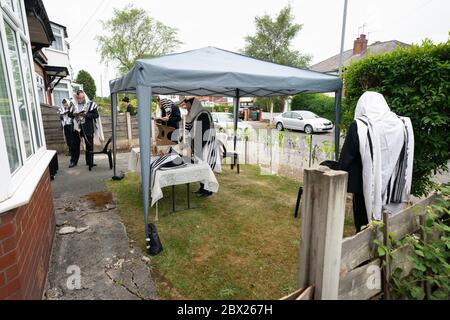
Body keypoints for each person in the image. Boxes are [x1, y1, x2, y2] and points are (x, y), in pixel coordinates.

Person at [338, 91, 414, 233]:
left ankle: (366, 251)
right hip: (394, 185)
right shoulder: (402, 124)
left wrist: (337, 170)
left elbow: (346, 158)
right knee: (390, 226)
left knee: (364, 223)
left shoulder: (360, 126)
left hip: (364, 184)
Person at [179, 97, 221, 197]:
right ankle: (202, 188)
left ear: (193, 105)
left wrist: (197, 148)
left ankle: (208, 190)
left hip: (205, 145)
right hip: (200, 145)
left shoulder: (203, 114)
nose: (187, 108)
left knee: (205, 167)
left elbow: (203, 133)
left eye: (188, 105)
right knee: (200, 167)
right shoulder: (198, 114)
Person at [70, 90, 100, 171]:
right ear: (76, 97)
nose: (80, 99)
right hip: (76, 128)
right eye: (79, 98)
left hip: (88, 127)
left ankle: (90, 162)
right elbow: (69, 114)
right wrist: (73, 114)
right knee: (74, 145)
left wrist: (86, 115)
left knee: (89, 145)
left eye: (82, 98)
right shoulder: (72, 104)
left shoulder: (91, 104)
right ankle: (73, 161)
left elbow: (96, 115)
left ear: (84, 96)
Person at [59, 99, 77, 168]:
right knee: (68, 140)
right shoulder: (62, 109)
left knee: (73, 142)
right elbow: (61, 118)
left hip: (72, 126)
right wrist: (61, 115)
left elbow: (74, 116)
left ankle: (73, 159)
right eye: (64, 104)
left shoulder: (72, 108)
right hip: (66, 126)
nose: (65, 105)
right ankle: (70, 151)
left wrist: (68, 112)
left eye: (66, 104)